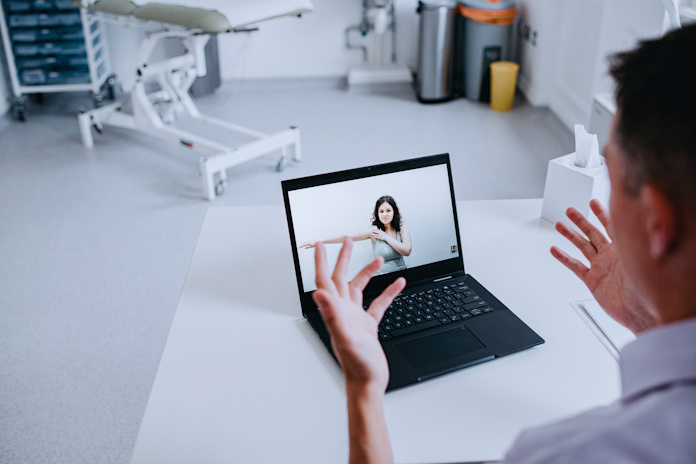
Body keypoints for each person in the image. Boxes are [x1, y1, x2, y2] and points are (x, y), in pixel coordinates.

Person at [310, 24, 696, 464]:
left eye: (612, 172)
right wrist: (649, 320)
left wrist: (363, 391)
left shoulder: (570, 453)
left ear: (657, 223)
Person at [301, 195, 412, 274]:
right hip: (382, 278)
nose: (385, 214)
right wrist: (319, 241)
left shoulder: (402, 228)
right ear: (377, 214)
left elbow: (407, 251)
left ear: (394, 211)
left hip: (402, 276)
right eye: (381, 211)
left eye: (388, 210)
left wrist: (386, 237)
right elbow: (347, 236)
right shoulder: (373, 231)